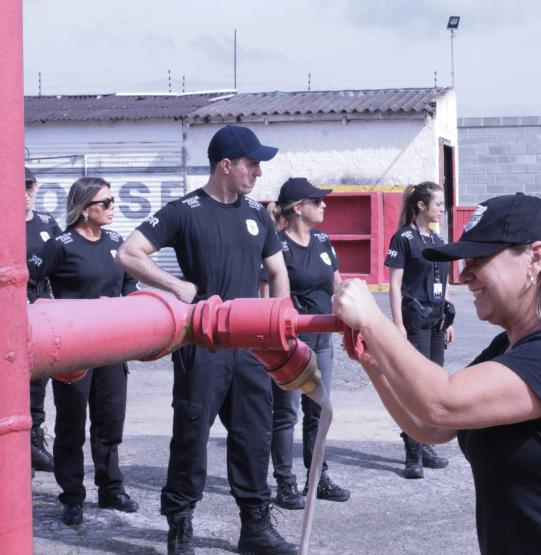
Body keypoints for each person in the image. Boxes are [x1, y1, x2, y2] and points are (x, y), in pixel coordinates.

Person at [333, 193, 541, 554]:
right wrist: (374, 363)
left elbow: (442, 403)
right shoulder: (510, 347)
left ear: (535, 257)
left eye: (479, 258)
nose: (465, 274)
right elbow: (433, 427)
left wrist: (373, 320)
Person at [116, 125, 296, 555]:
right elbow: (128, 253)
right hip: (202, 344)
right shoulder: (185, 210)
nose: (257, 171)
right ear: (225, 164)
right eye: (251, 163)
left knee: (254, 436)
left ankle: (255, 528)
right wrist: (176, 287)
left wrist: (278, 323)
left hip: (251, 345)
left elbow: (278, 273)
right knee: (191, 436)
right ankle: (180, 527)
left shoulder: (256, 214)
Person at [28, 177, 140, 526]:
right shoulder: (60, 245)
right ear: (85, 208)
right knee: (71, 425)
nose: (112, 208)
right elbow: (28, 281)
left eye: (112, 201)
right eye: (105, 203)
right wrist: (43, 317)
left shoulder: (116, 243)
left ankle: (111, 488)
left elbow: (130, 288)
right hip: (73, 349)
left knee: (109, 422)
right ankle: (72, 496)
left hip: (111, 348)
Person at [268, 177, 349, 510]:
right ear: (298, 208)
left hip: (323, 340)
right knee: (286, 414)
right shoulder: (276, 246)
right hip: (291, 342)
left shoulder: (323, 240)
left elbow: (337, 284)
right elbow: (267, 296)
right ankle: (286, 484)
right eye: (317, 201)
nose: (324, 205)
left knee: (319, 411)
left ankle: (318, 478)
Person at [383, 182, 452, 479]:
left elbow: (444, 282)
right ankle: (412, 451)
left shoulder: (436, 238)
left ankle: (424, 444)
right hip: (414, 320)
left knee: (433, 386)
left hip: (436, 320)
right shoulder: (403, 238)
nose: (442, 208)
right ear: (421, 206)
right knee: (414, 386)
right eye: (438, 204)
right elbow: (395, 285)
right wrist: (397, 323)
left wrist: (450, 322)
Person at [25, 167, 61, 473]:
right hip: (9, 309)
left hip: (42, 309)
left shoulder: (47, 223)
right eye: (18, 188)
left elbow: (64, 261)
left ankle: (33, 441)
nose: (24, 195)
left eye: (29, 188)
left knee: (39, 379)